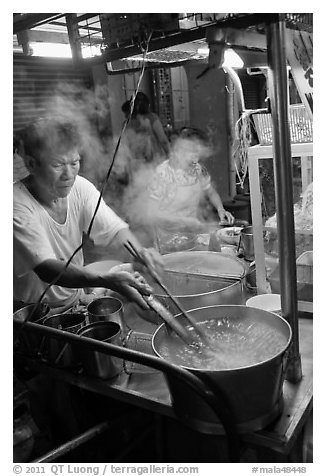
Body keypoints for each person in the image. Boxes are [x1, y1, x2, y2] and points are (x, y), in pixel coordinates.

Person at [13, 117, 163, 314]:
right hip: (32, 314)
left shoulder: (80, 187)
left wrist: (140, 252)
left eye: (75, 162)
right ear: (31, 164)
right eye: (58, 165)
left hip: (75, 300)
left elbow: (114, 229)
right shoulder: (15, 203)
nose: (69, 174)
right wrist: (105, 281)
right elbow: (45, 267)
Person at [145, 127, 234, 233]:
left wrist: (221, 209)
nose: (196, 160)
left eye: (198, 154)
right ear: (177, 152)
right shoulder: (162, 173)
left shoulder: (197, 169)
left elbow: (210, 192)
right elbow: (152, 212)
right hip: (166, 236)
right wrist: (183, 221)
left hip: (191, 232)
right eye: (192, 155)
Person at [122, 92, 170, 167]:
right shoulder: (152, 118)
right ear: (147, 105)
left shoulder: (126, 123)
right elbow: (163, 140)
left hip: (136, 165)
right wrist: (170, 155)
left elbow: (125, 146)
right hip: (154, 162)